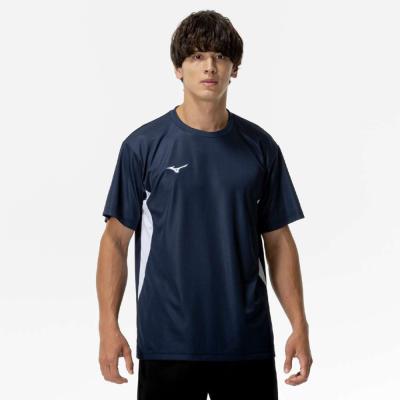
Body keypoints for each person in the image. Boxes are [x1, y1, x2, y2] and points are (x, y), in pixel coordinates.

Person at [96, 9, 313, 400]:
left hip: (245, 342)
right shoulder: (143, 147)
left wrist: (299, 324)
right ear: (178, 69)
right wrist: (107, 326)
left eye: (220, 56)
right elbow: (115, 239)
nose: (210, 66)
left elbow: (278, 240)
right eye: (197, 56)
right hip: (168, 342)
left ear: (234, 69)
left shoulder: (260, 148)